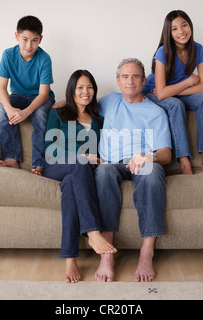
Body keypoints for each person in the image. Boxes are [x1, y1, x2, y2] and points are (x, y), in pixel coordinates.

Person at [94, 58, 172, 282]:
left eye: (135, 76)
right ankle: (106, 254)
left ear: (143, 80)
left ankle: (146, 253)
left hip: (142, 162)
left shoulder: (155, 112)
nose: (130, 81)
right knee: (103, 172)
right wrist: (57, 104)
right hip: (112, 163)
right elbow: (80, 104)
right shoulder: (108, 102)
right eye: (125, 77)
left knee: (154, 172)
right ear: (118, 81)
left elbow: (165, 154)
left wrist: (148, 157)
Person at [44, 70, 117, 284]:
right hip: (57, 164)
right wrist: (78, 156)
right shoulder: (57, 113)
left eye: (90, 87)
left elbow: (107, 148)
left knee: (70, 188)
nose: (86, 92)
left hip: (81, 172)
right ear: (72, 91)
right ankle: (93, 231)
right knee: (79, 162)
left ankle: (70, 259)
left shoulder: (98, 119)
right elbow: (50, 148)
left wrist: (99, 160)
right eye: (80, 88)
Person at [143, 10, 203, 175]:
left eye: (184, 25)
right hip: (152, 92)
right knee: (175, 104)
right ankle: (184, 162)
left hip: (172, 92)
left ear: (190, 26)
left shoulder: (198, 49)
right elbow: (162, 94)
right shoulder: (162, 52)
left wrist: (172, 90)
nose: (181, 31)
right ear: (169, 33)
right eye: (174, 29)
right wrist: (188, 81)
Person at [0, 16, 55, 175]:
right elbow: (1, 88)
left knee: (40, 115)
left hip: (40, 97)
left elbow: (43, 94)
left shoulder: (44, 59)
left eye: (34, 40)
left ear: (40, 39)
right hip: (19, 95)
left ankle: (38, 164)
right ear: (17, 37)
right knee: (1, 110)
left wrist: (26, 112)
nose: (29, 45)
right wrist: (9, 109)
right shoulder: (8, 55)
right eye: (25, 39)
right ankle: (11, 158)